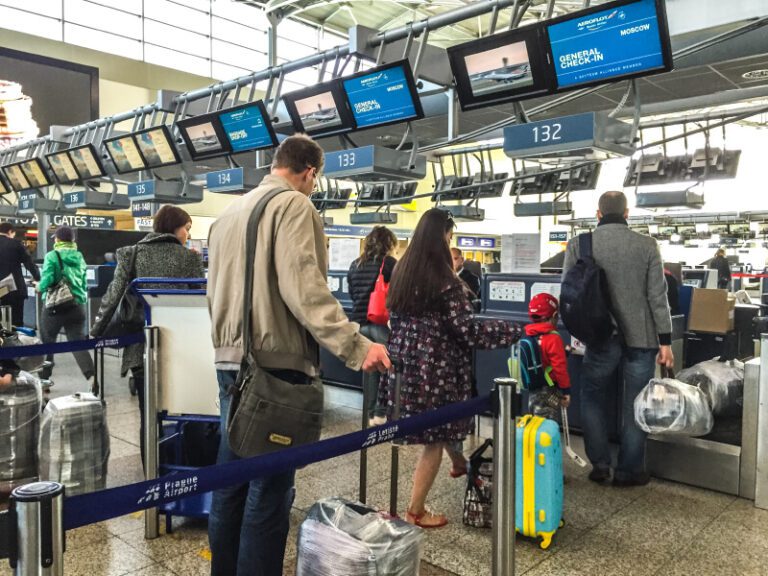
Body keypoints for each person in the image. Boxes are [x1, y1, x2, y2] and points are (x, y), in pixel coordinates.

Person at [206, 134, 391, 576]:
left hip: (229, 362)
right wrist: (355, 344)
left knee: (229, 486)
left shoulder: (227, 214)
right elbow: (305, 288)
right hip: (276, 367)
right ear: (310, 172)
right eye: (314, 180)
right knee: (268, 493)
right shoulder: (293, 206)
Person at [381, 208, 522, 528]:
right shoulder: (446, 282)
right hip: (437, 371)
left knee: (436, 427)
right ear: (442, 238)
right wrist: (514, 330)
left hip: (405, 368)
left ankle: (459, 462)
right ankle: (416, 511)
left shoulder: (403, 274)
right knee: (434, 438)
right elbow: (468, 332)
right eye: (449, 237)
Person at [563, 191, 673, 487]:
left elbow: (569, 293)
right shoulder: (647, 245)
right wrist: (666, 342)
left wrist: (577, 334)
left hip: (599, 338)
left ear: (598, 214)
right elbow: (657, 297)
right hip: (642, 339)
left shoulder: (579, 244)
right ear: (627, 213)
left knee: (594, 398)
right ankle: (629, 470)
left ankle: (600, 464)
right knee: (637, 404)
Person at [92, 205, 203, 461]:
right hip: (181, 348)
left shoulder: (132, 253)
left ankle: (150, 474)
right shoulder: (189, 258)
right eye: (186, 229)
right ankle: (195, 474)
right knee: (189, 410)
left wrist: (96, 332)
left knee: (148, 415)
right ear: (175, 228)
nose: (187, 234)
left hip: (141, 348)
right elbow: (199, 303)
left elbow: (112, 296)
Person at [347, 225, 398, 426]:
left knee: (368, 370)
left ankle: (369, 414)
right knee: (386, 368)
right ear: (389, 244)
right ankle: (381, 412)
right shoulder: (390, 263)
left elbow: (352, 293)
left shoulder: (355, 264)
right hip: (380, 323)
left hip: (359, 324)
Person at [37, 226, 95, 385]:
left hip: (55, 307)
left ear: (58, 239)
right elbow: (83, 282)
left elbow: (47, 279)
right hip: (77, 305)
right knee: (77, 342)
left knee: (48, 341)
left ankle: (44, 379)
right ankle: (92, 378)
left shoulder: (52, 255)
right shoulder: (79, 256)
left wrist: (38, 287)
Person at [525, 293, 570, 420]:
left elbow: (542, 357)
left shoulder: (530, 335)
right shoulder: (553, 338)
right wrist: (566, 391)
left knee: (535, 421)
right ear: (555, 315)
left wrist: (564, 352)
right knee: (546, 424)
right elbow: (559, 368)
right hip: (549, 389)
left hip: (533, 388)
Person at [0, 223, 39, 327]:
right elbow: (29, 264)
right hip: (14, 289)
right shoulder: (16, 244)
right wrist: (38, 277)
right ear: (10, 232)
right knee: (16, 322)